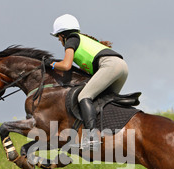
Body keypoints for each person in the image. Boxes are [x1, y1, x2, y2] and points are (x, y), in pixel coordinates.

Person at [48, 14, 128, 149]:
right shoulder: (82, 40)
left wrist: (52, 64)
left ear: (62, 35)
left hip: (109, 65)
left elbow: (66, 65)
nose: (60, 41)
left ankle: (92, 138)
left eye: (58, 38)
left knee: (84, 96)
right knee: (102, 102)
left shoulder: (71, 40)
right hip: (122, 67)